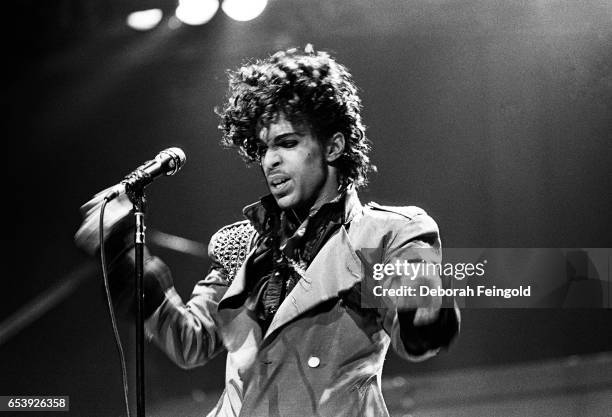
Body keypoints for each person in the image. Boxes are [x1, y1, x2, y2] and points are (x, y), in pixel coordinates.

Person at [75, 45, 459, 417]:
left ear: (334, 145)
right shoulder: (240, 243)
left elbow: (418, 332)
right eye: (263, 149)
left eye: (287, 143)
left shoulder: (385, 234)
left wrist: (425, 312)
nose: (271, 160)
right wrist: (123, 254)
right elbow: (189, 343)